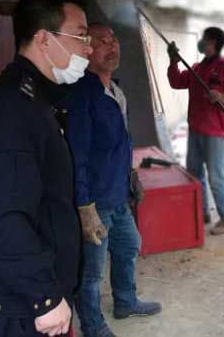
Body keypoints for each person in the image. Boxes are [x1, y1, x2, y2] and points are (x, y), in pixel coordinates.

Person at [0, 0, 92, 337]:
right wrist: (44, 296)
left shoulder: (38, 100)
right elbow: (1, 216)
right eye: (81, 36)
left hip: (35, 300)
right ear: (45, 40)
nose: (89, 48)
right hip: (18, 310)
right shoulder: (6, 109)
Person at [65, 24, 161, 337]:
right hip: (96, 200)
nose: (112, 46)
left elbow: (122, 143)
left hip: (118, 194)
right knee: (91, 272)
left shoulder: (116, 91)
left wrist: (131, 175)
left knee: (129, 246)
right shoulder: (82, 94)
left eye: (114, 40)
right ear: (87, 50)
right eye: (102, 42)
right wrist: (84, 206)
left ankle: (125, 302)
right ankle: (93, 326)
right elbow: (77, 155)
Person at [167, 27, 224, 235]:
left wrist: (223, 97)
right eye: (203, 39)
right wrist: (173, 61)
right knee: (194, 174)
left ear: (216, 45)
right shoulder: (196, 68)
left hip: (214, 133)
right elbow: (176, 82)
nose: (202, 43)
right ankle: (202, 212)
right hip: (195, 129)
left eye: (207, 40)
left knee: (216, 177)